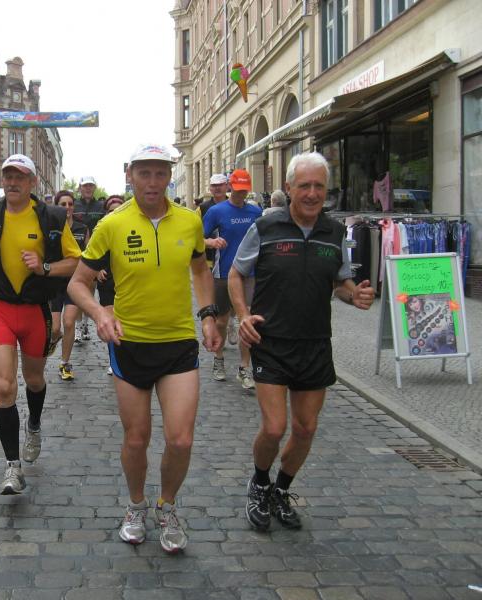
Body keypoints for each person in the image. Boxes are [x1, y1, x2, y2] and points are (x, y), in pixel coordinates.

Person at [68, 143, 219, 554]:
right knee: (136, 439)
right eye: (144, 173)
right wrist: (99, 314)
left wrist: (208, 314)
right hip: (129, 343)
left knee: (181, 440)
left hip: (178, 343)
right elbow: (77, 284)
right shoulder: (112, 225)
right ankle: (136, 505)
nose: (153, 182)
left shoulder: (189, 220)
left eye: (160, 173)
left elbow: (200, 270)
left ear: (169, 175)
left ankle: (166, 506)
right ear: (130, 175)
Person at [229, 152, 374, 532]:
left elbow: (340, 282)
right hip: (271, 341)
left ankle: (281, 490)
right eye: (304, 185)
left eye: (319, 186)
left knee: (306, 428)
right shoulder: (266, 226)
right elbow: (236, 273)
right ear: (289, 188)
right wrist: (243, 315)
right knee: (274, 427)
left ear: (326, 190)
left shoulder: (334, 232)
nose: (312, 193)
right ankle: (259, 483)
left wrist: (355, 296)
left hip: (314, 343)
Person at [0, 154, 81, 494]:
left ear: (32, 182)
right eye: (8, 176)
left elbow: (75, 261)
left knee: (33, 379)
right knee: (4, 387)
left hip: (35, 311)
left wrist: (44, 267)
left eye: (20, 177)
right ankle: (12, 467)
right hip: (0, 308)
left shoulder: (52, 217)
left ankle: (34, 424)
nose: (12, 182)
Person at [202, 168, 262, 388]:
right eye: (237, 189)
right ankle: (218, 360)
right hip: (224, 273)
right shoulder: (216, 211)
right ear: (230, 187)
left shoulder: (255, 211)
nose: (241, 193)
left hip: (250, 274)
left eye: (244, 189)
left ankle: (244, 368)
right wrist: (211, 242)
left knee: (248, 320)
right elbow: (197, 238)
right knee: (221, 321)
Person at [48, 191, 88, 381]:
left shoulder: (82, 228)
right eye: (63, 204)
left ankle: (65, 363)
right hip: (55, 282)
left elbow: (89, 253)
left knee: (69, 322)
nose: (67, 208)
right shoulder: (51, 227)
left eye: (70, 204)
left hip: (75, 282)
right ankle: (55, 338)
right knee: (55, 328)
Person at [95, 194, 125, 376]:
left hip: (129, 281)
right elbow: (91, 256)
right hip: (107, 279)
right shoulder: (102, 230)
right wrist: (97, 270)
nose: (116, 214)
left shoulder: (134, 227)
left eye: (120, 210)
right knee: (111, 322)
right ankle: (114, 361)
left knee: (127, 322)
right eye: (112, 211)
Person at [72, 176, 104, 343]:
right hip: (76, 251)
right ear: (80, 188)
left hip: (95, 252)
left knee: (90, 290)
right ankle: (78, 327)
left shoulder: (100, 206)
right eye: (85, 186)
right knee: (78, 289)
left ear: (94, 188)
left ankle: (85, 324)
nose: (88, 188)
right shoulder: (74, 205)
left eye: (91, 185)